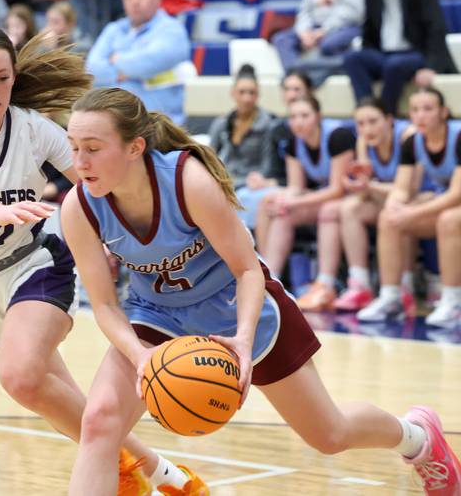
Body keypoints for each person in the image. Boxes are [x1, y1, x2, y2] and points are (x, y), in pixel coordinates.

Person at [60, 86, 461, 496]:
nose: (79, 162)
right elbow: (106, 305)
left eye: (92, 148)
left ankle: (418, 439)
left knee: (329, 434)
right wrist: (140, 355)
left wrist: (244, 340)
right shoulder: (80, 207)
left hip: (237, 307)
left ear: (134, 147)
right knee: (100, 421)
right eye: (73, 147)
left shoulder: (187, 182)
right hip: (158, 313)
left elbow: (247, 268)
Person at [0, 23, 206, 496]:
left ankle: (129, 471)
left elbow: (99, 182)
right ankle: (162, 474)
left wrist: (147, 232)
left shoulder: (34, 130)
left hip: (34, 265)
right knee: (62, 402)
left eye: (2, 78)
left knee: (20, 376)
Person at [357, 87, 461, 324]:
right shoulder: (413, 142)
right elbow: (402, 189)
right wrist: (395, 208)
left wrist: (411, 212)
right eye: (415, 110)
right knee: (388, 218)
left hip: (454, 204)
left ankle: (454, 301)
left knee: (449, 219)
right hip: (445, 205)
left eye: (427, 109)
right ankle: (392, 297)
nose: (420, 115)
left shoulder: (458, 136)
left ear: (443, 112)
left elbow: (456, 194)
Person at [296, 98, 410, 312]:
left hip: (419, 200)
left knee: (394, 213)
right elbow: (370, 187)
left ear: (389, 120)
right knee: (345, 208)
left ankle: (404, 286)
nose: (367, 128)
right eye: (361, 123)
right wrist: (362, 185)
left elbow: (407, 192)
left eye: (373, 121)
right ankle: (356, 284)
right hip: (385, 200)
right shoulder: (363, 141)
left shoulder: (406, 137)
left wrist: (369, 186)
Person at [254, 95, 355, 279]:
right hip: (323, 196)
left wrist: (294, 203)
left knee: (295, 208)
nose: (298, 122)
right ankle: (267, 276)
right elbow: (295, 186)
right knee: (271, 204)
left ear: (318, 116)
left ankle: (326, 282)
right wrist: (283, 200)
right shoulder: (294, 141)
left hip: (348, 196)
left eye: (304, 115)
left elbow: (337, 190)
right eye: (293, 117)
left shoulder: (338, 136)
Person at [342, 0, 457, 115]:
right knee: (353, 58)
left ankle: (384, 115)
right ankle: (366, 110)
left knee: (394, 65)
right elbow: (369, 29)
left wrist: (432, 66)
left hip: (415, 52)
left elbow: (435, 26)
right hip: (384, 53)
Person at [86, 0, 191, 125]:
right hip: (116, 125)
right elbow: (92, 69)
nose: (134, 1)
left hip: (160, 126)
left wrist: (116, 60)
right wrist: (125, 72)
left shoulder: (172, 29)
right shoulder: (113, 29)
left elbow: (151, 61)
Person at [271, 0, 366, 84]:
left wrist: (324, 31)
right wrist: (303, 31)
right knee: (281, 40)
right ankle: (300, 78)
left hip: (346, 27)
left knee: (329, 44)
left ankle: (300, 76)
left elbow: (355, 10)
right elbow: (305, 8)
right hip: (314, 27)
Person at [208, 64, 277, 229]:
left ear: (258, 95)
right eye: (242, 92)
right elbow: (209, 158)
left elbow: (269, 165)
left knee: (245, 198)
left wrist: (259, 179)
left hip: (252, 182)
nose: (246, 98)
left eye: (251, 93)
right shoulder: (222, 123)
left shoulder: (268, 124)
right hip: (228, 180)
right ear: (233, 93)